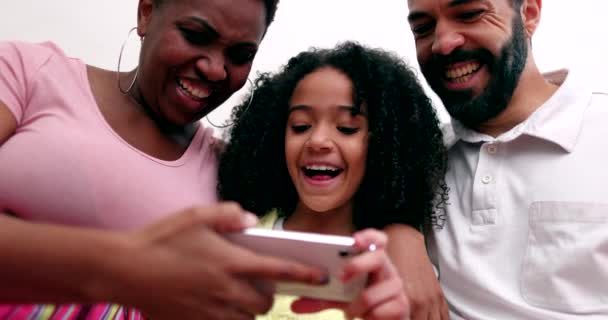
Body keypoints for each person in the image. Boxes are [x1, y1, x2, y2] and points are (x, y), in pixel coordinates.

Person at [0, 0, 330, 319]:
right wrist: (127, 269)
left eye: (240, 55)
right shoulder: (28, 73)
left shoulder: (229, 173)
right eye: (195, 35)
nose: (214, 69)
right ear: (146, 14)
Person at [398, 0, 608, 319]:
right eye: (423, 28)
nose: (443, 43)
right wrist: (398, 233)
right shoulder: (416, 159)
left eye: (469, 14)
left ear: (530, 13)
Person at [218, 41, 449, 319]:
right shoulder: (242, 240)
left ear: (383, 146)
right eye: (300, 126)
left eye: (346, 128)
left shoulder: (394, 272)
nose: (317, 141)